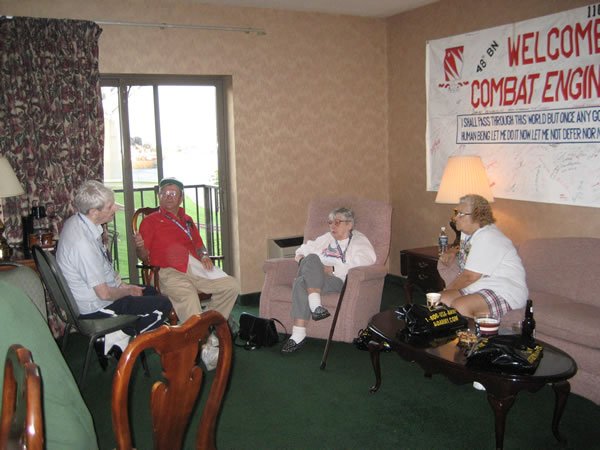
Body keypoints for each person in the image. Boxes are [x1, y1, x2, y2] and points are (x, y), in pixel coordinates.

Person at [57, 180, 173, 358]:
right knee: (163, 305)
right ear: (94, 212)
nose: (115, 208)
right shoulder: (82, 244)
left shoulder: (76, 222)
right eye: (110, 206)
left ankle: (115, 336)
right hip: (95, 308)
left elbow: (103, 273)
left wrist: (123, 286)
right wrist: (128, 291)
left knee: (149, 291)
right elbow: (104, 294)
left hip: (91, 298)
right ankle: (124, 343)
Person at [134, 177, 239, 324]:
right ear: (159, 196)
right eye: (164, 193)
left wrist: (204, 255)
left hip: (195, 268)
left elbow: (199, 245)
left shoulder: (187, 220)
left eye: (173, 193)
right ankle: (199, 335)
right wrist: (139, 247)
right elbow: (144, 258)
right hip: (166, 272)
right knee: (189, 296)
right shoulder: (150, 221)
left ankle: (206, 325)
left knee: (231, 286)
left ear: (181, 198)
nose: (168, 196)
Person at [281, 207, 376, 353]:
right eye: (330, 222)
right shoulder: (327, 238)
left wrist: (332, 268)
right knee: (311, 259)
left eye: (337, 222)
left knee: (300, 282)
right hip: (315, 274)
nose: (332, 226)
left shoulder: (358, 240)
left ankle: (298, 334)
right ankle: (315, 308)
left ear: (349, 224)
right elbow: (302, 249)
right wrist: (301, 259)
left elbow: (367, 259)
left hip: (336, 279)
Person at [438, 194, 528, 318]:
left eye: (461, 214)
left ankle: (473, 330)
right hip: (479, 286)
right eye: (456, 212)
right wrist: (453, 251)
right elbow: (468, 250)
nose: (455, 218)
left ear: (477, 216)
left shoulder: (488, 236)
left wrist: (447, 290)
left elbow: (469, 277)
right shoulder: (467, 233)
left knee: (459, 306)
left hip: (504, 290)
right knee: (441, 299)